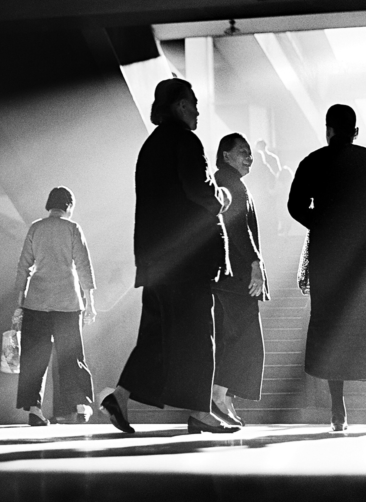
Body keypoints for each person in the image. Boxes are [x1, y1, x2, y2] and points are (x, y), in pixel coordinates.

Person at [100, 77, 239, 435]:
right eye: (192, 103)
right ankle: (200, 411)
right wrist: (221, 197)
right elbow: (199, 188)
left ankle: (121, 394)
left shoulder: (150, 146)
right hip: (187, 260)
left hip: (155, 259)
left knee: (156, 336)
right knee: (198, 333)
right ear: (179, 105)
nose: (196, 110)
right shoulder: (186, 141)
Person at [287, 104, 366, 432]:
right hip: (364, 255)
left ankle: (337, 413)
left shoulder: (312, 162)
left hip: (327, 257)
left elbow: (294, 205)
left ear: (327, 129)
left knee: (331, 324)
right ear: (355, 131)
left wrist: (321, 223)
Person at [12, 186, 97, 426]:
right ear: (69, 207)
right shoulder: (72, 228)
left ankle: (34, 409)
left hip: (36, 302)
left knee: (35, 356)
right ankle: (80, 406)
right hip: (68, 303)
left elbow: (23, 267)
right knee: (71, 356)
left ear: (49, 205)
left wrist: (19, 304)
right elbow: (83, 266)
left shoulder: (35, 228)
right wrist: (90, 303)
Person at [211, 133, 268, 426]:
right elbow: (238, 228)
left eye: (249, 151)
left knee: (235, 338)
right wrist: (255, 262)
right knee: (243, 340)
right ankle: (219, 396)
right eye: (242, 151)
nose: (249, 156)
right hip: (235, 277)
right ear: (226, 155)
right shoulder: (229, 183)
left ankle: (225, 399)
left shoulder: (229, 181)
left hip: (228, 276)